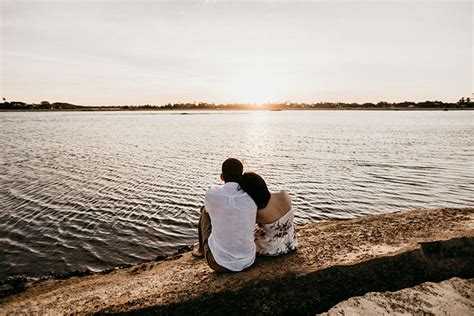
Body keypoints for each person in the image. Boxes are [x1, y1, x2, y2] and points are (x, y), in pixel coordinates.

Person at [193, 158, 257, 272]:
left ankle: (201, 250)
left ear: (221, 176)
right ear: (241, 177)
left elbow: (209, 210)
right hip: (248, 260)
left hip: (218, 263)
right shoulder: (251, 196)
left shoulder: (212, 194)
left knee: (204, 211)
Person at [239, 172, 297, 256]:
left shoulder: (259, 213)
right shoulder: (283, 194)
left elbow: (245, 228)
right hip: (291, 241)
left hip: (272, 248)